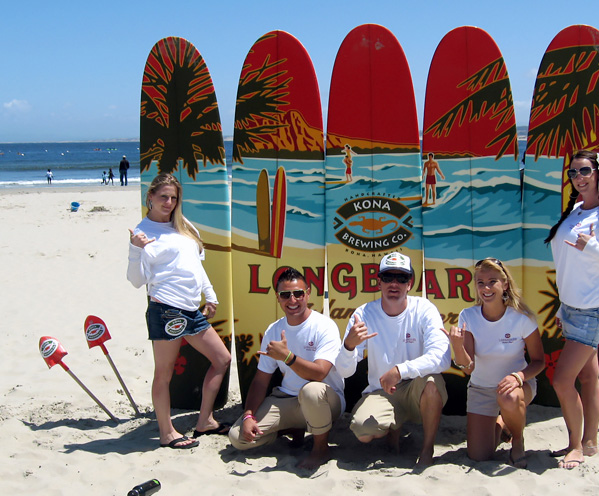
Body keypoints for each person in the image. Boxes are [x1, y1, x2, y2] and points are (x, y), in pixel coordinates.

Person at [127, 173, 231, 449]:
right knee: (164, 373)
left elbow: (196, 265)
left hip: (191, 309)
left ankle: (205, 420)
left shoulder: (184, 227)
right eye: (163, 197)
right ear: (150, 197)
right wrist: (136, 250)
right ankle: (166, 433)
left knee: (222, 359)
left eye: (174, 198)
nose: (169, 202)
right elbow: (136, 281)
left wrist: (210, 295)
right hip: (165, 309)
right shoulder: (141, 233)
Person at [544, 150, 599, 469]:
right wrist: (564, 306)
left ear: (598, 173)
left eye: (584, 171)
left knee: (562, 381)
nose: (578, 178)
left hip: (594, 310)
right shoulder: (576, 210)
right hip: (572, 307)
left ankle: (575, 445)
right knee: (589, 376)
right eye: (573, 173)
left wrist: (591, 247)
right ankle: (591, 442)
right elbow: (566, 261)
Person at [336, 252, 451, 466]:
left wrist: (400, 371)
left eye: (402, 278)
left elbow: (442, 358)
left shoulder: (424, 309)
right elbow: (344, 372)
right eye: (388, 277)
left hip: (417, 387)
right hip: (382, 390)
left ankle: (427, 450)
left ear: (411, 283)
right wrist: (348, 346)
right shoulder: (364, 314)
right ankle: (394, 428)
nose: (394, 283)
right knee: (363, 430)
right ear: (378, 282)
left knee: (433, 384)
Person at [228, 267, 345, 470]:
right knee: (238, 438)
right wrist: (248, 415)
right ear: (278, 298)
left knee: (311, 390)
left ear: (308, 293)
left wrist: (288, 357)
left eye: (298, 293)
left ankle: (320, 449)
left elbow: (320, 373)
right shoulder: (273, 329)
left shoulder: (324, 326)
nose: (292, 300)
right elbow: (260, 380)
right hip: (287, 398)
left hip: (325, 400)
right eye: (285, 295)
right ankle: (293, 428)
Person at [445, 257, 545, 467]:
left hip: (517, 386)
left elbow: (539, 361)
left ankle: (517, 441)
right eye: (480, 282)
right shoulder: (468, 315)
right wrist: (457, 345)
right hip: (481, 388)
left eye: (492, 281)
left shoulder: (521, 318)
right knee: (479, 456)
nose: (486, 288)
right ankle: (503, 423)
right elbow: (469, 367)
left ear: (505, 284)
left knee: (508, 397)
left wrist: (518, 376)